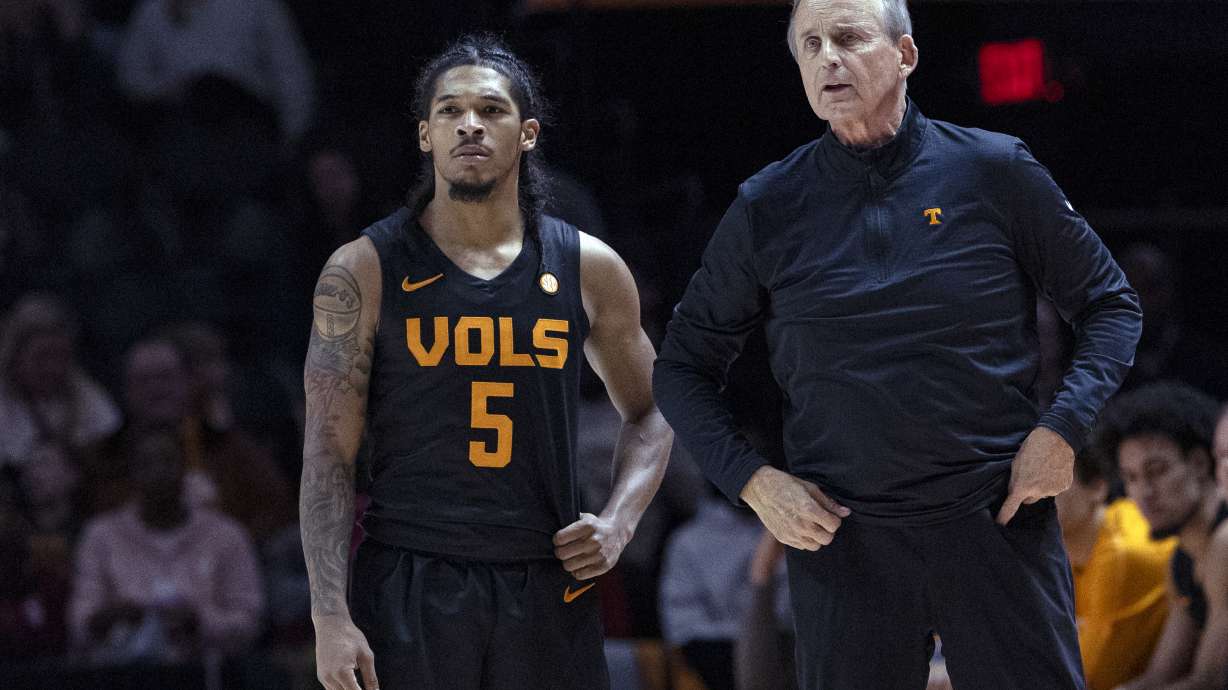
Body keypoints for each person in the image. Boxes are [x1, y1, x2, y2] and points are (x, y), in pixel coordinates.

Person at [651, 0, 1143, 687]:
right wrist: (753, 482)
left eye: (849, 37)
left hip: (994, 518)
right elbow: (680, 367)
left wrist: (1061, 430)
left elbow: (1111, 304)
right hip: (845, 538)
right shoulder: (769, 204)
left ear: (905, 54)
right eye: (810, 44)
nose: (828, 57)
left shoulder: (995, 171)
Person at [300, 34, 672, 690]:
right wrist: (330, 614)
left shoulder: (588, 265)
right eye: (450, 110)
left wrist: (618, 523)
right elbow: (328, 455)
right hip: (411, 576)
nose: (470, 124)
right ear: (424, 135)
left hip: (546, 574)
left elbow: (654, 410)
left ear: (528, 133)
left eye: (492, 110)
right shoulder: (364, 269)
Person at [69, 431, 264, 663]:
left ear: (184, 470)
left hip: (206, 673)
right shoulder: (101, 536)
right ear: (131, 474)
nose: (158, 473)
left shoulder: (226, 535)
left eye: (167, 461)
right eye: (146, 464)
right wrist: (112, 618)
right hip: (123, 674)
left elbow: (249, 621)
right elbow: (79, 623)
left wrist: (199, 622)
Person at [1094, 382, 1228, 690]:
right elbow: (1158, 679)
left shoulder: (1224, 542)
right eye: (1131, 477)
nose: (1144, 492)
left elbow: (1209, 682)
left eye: (1156, 470)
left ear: (1198, 463)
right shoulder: (1180, 561)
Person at [1057, 446, 1176, 689]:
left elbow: (1082, 679)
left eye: (1050, 476)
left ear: (1097, 488)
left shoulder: (1122, 554)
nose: (1031, 492)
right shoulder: (1068, 548)